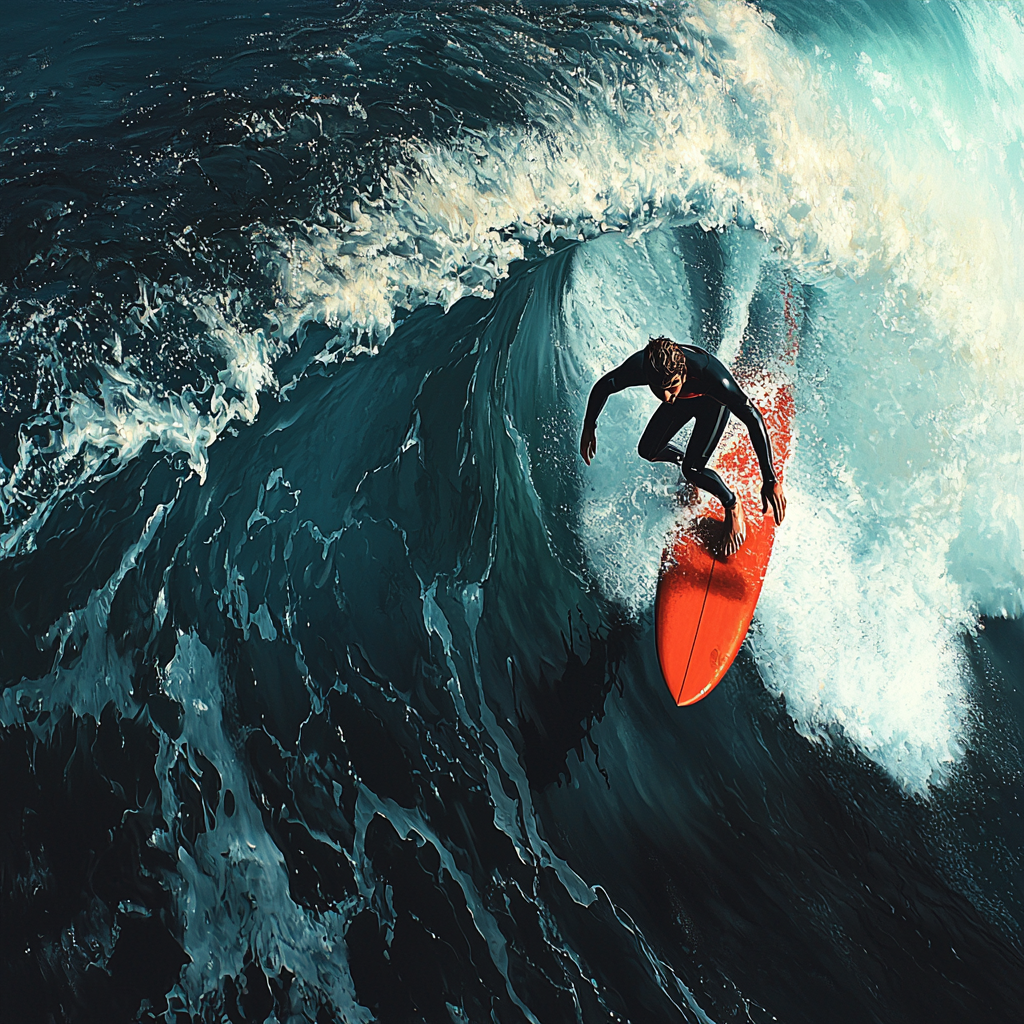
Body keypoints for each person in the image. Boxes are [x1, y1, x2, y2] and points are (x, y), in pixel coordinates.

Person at [579, 336, 786, 556]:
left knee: (693, 469)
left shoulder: (715, 379)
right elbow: (605, 385)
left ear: (683, 372)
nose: (665, 396)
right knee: (648, 450)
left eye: (670, 386)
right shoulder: (644, 368)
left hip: (712, 406)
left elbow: (752, 418)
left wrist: (770, 478)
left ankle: (733, 505)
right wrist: (589, 425)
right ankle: (689, 469)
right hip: (683, 402)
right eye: (658, 389)